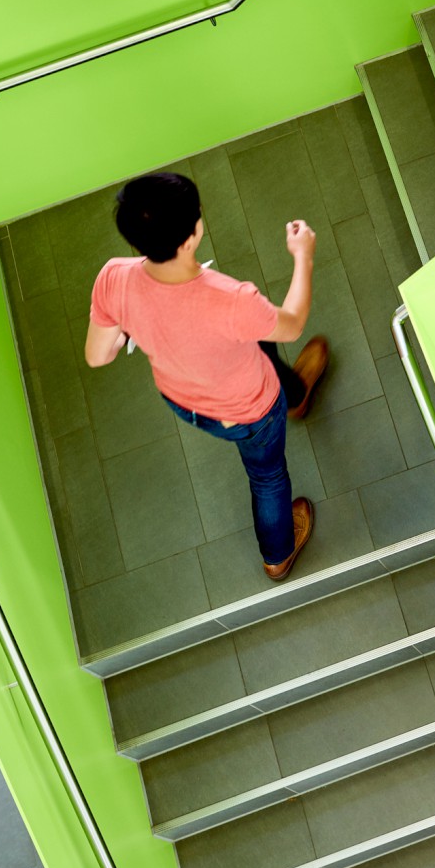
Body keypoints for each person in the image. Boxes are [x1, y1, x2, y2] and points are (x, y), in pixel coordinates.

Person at [83, 172, 329, 581]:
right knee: (267, 477)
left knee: (258, 345)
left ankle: (297, 394)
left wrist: (136, 319)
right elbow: (293, 323)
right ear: (192, 235)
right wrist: (304, 255)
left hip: (186, 400)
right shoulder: (231, 299)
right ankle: (278, 555)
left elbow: (98, 355)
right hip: (249, 410)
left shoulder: (113, 278)